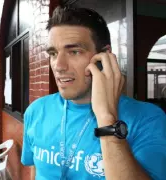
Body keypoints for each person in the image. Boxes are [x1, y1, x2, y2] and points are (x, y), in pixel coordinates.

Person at [21, 5, 166, 180]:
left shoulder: (148, 118)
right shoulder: (36, 110)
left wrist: (107, 119)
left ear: (103, 57)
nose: (58, 66)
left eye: (74, 52)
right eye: (53, 53)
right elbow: (35, 171)